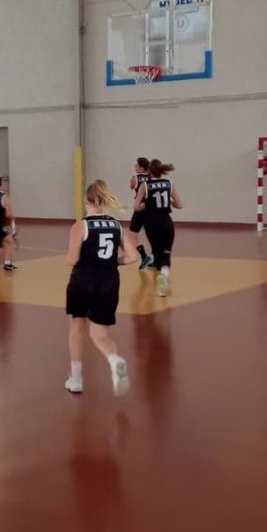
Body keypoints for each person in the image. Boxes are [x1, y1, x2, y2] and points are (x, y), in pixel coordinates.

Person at [64, 179, 136, 396]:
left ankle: (76, 379)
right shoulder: (116, 225)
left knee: (77, 326)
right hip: (109, 282)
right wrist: (113, 261)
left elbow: (72, 259)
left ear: (86, 201)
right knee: (100, 333)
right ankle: (114, 360)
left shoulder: (81, 226)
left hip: (83, 280)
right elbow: (133, 257)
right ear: (104, 201)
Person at [134, 159, 183, 297]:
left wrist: (147, 204)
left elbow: (136, 207)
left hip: (151, 224)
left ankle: (161, 281)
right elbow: (179, 205)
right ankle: (164, 278)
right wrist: (169, 202)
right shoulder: (169, 184)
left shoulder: (145, 186)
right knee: (166, 253)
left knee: (157, 253)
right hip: (166, 223)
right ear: (161, 170)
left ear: (149, 171)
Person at [128, 156, 155, 271]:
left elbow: (131, 186)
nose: (134, 167)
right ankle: (156, 258)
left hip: (139, 209)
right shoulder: (152, 177)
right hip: (152, 209)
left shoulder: (134, 178)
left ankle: (144, 256)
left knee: (133, 234)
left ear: (141, 167)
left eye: (136, 165)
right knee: (153, 235)